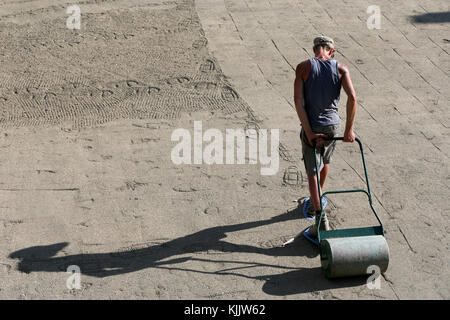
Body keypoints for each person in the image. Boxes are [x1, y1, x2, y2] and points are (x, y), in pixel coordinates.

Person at [293, 35, 357, 239]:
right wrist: (348, 130)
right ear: (332, 51)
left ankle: (319, 216)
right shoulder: (341, 68)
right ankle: (317, 197)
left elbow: (298, 100)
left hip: (313, 125)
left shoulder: (303, 67)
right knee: (325, 160)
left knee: (312, 168)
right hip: (332, 126)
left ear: (314, 50)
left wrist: (309, 132)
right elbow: (353, 98)